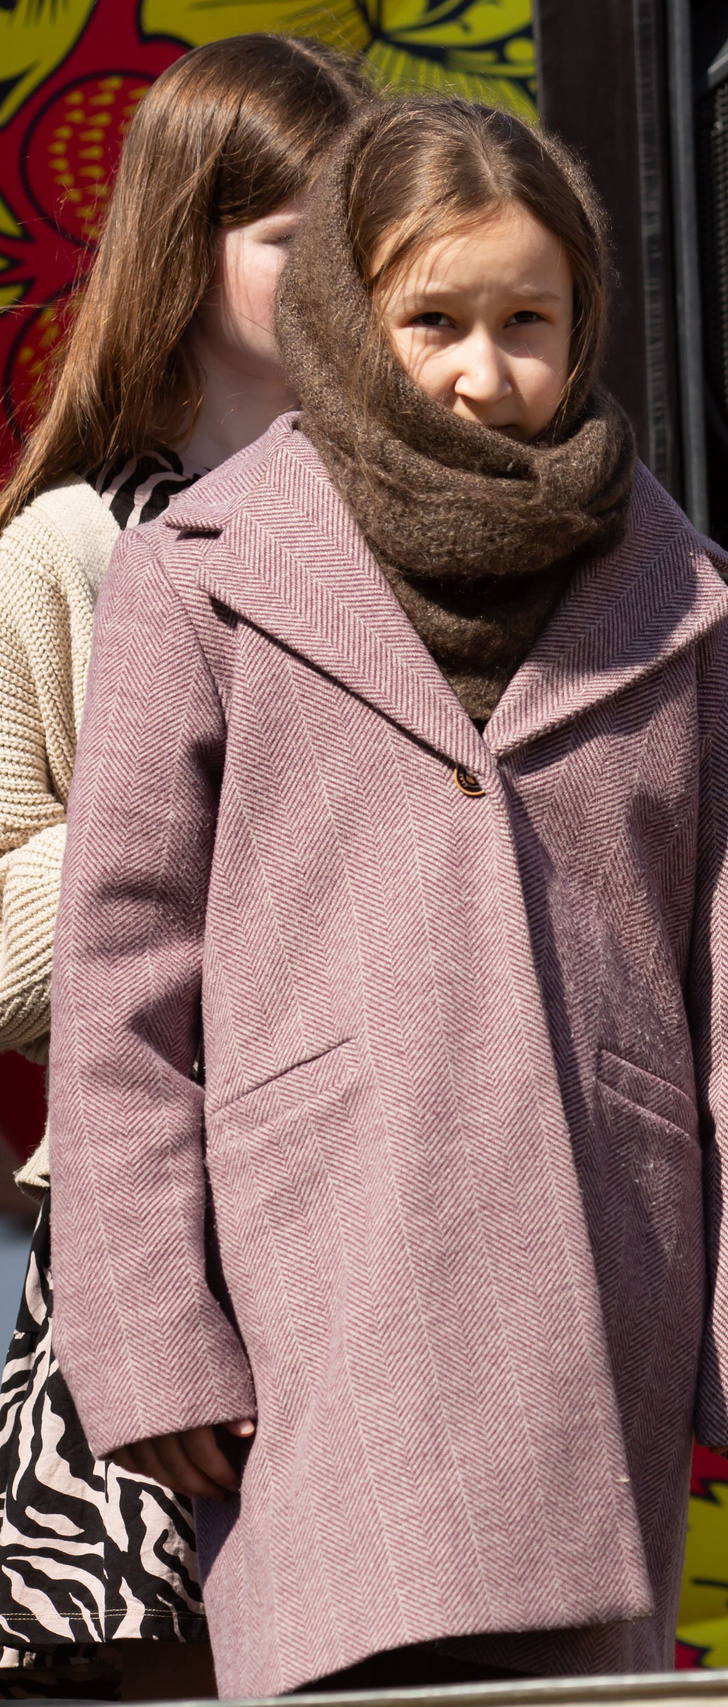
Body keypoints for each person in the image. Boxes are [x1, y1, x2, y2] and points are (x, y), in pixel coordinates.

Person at [45, 98, 728, 1697]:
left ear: (584, 322)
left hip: (594, 1278)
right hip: (314, 1292)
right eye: (434, 321)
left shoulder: (680, 605)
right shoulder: (198, 572)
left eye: (527, 321)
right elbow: (121, 996)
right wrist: (153, 1335)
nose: (484, 370)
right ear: (348, 315)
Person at [0, 35, 371, 1701]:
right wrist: (201, 816)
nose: (349, 279)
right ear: (184, 242)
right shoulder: (73, 549)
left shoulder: (435, 547)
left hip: (391, 1217)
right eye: (298, 236)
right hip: (159, 1228)